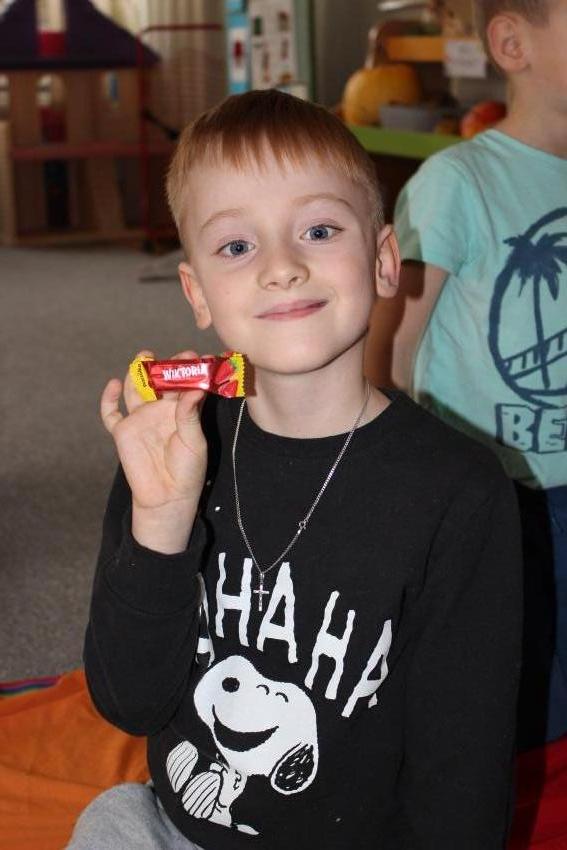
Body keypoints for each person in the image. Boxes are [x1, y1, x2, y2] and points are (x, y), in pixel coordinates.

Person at [68, 89, 522, 850]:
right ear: (197, 293)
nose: (281, 267)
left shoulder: (459, 493)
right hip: (172, 827)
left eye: (318, 230)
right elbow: (129, 702)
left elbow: (463, 767)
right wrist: (160, 523)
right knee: (111, 822)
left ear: (383, 261)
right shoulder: (172, 446)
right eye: (236, 246)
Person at [365, 0, 567, 750]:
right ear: (511, 42)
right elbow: (390, 346)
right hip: (496, 496)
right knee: (510, 693)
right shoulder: (457, 182)